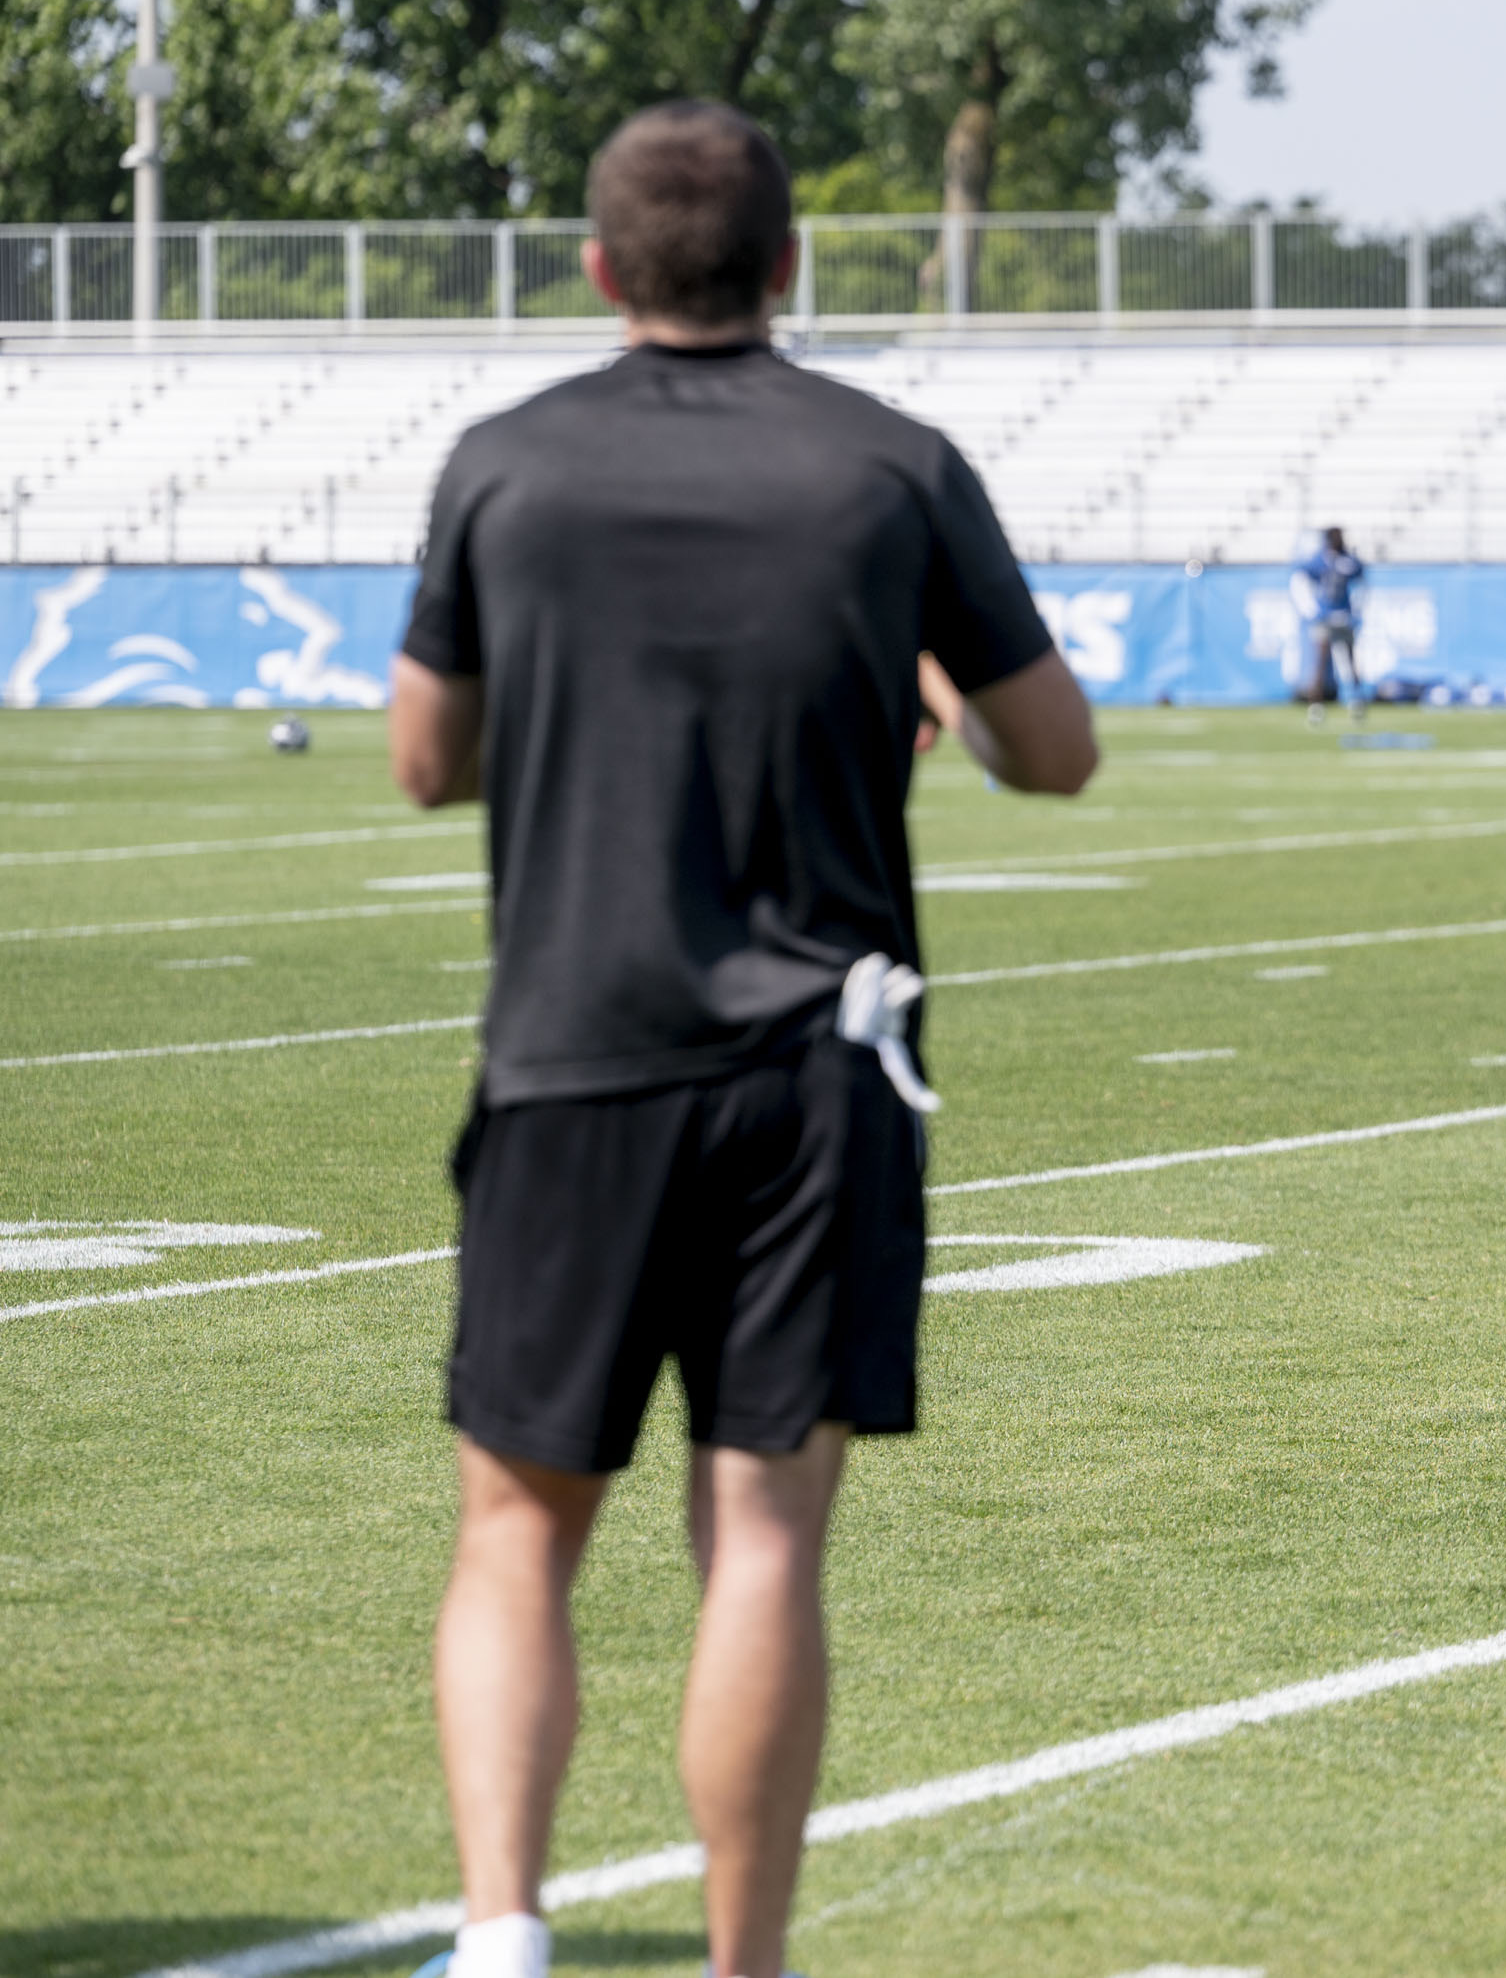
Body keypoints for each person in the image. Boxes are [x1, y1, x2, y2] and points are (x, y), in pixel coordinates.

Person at [386, 101, 1096, 1978]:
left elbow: (421, 759)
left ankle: (501, 1935)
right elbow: (1059, 752)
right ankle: (745, 1964)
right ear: (788, 264)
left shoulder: (502, 466)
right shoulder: (891, 467)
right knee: (764, 1540)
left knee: (516, 1533)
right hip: (820, 1075)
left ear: (604, 268)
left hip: (568, 1054)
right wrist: (920, 678)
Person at [1289, 526, 1367, 724]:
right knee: (1320, 664)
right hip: (1326, 617)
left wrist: (1356, 611)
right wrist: (1311, 610)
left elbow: (1362, 583)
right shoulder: (1320, 560)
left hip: (1343, 617)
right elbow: (1299, 579)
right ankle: (1316, 707)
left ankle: (1357, 703)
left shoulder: (1348, 561)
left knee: (1350, 662)